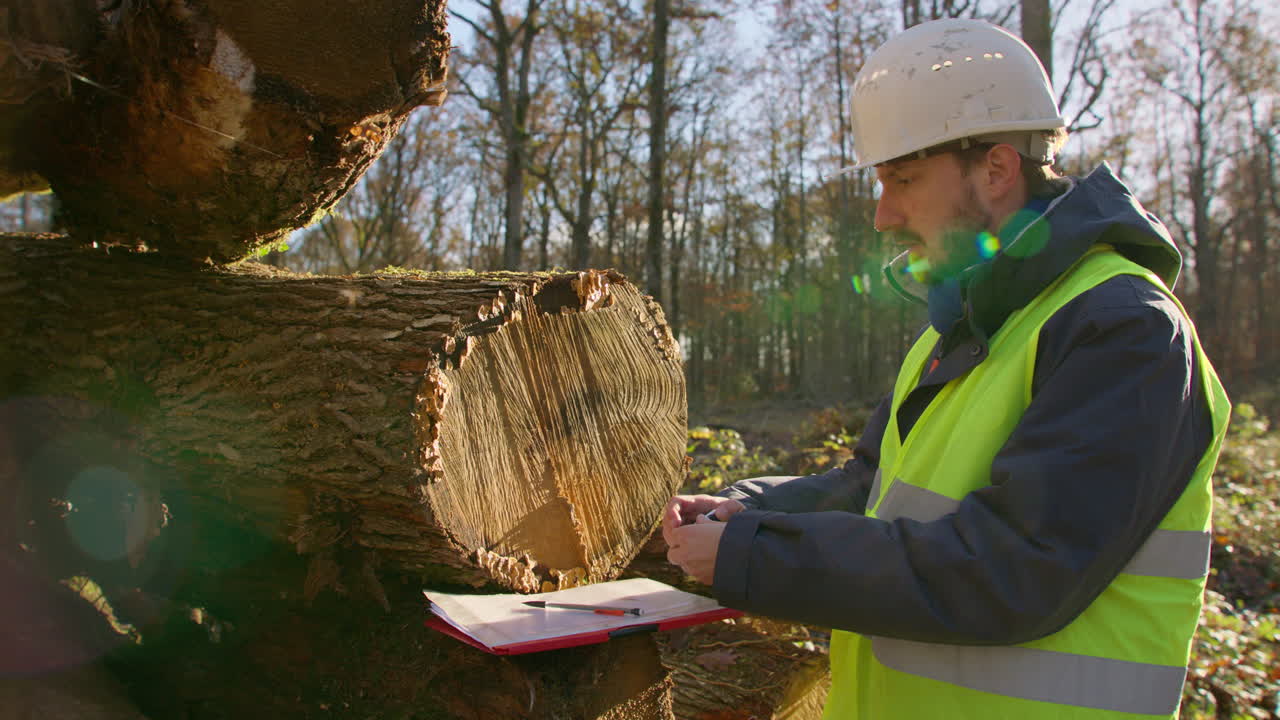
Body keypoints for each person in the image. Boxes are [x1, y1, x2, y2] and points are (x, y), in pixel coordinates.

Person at [663, 18, 1231, 720]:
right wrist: (753, 511)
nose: (882, 215)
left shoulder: (1125, 330)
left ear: (996, 169)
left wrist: (757, 556)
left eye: (903, 179)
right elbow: (871, 489)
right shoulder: (971, 325)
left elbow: (1016, 568)